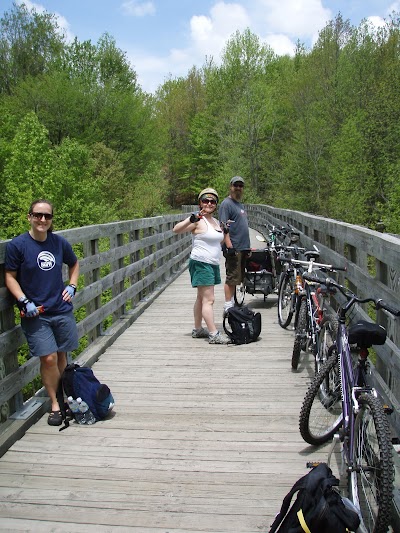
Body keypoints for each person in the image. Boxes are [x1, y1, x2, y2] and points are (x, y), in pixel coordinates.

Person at [5, 199, 79, 426]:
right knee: (48, 358)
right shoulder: (18, 245)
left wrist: (72, 285)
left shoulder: (58, 243)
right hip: (36, 313)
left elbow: (74, 263)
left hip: (61, 308)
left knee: (62, 356)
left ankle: (65, 398)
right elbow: (9, 277)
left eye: (47, 216)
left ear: (51, 220)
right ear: (29, 216)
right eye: (38, 215)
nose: (42, 219)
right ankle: (55, 404)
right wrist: (23, 300)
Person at [173, 188, 228, 344]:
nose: (209, 204)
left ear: (216, 204)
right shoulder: (197, 220)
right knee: (209, 300)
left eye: (212, 201)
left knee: (201, 297)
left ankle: (198, 329)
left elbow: (218, 241)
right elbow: (176, 230)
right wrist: (191, 219)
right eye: (205, 201)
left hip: (212, 263)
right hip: (201, 262)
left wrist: (225, 233)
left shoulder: (216, 222)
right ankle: (213, 334)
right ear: (200, 203)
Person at [218, 176, 250, 316]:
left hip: (242, 247)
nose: (238, 188)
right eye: (235, 185)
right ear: (230, 187)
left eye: (240, 186)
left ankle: (232, 303)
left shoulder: (239, 204)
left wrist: (247, 247)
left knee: (238, 277)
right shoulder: (226, 204)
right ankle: (227, 305)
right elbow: (223, 226)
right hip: (234, 247)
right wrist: (229, 245)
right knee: (231, 277)